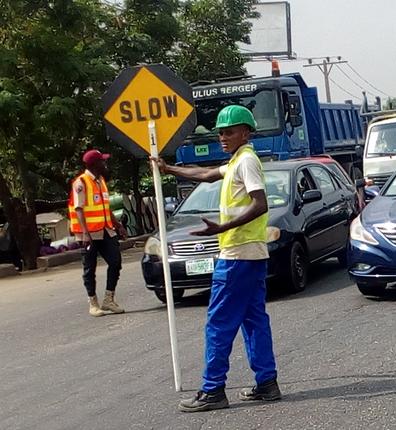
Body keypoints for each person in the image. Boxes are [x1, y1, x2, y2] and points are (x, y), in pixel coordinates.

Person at [153, 105, 280, 413]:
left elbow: (260, 204)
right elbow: (207, 175)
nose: (223, 137)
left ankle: (213, 390)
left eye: (229, 131)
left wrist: (222, 227)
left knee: (219, 323)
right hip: (250, 254)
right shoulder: (237, 160)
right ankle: (267, 383)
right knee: (253, 320)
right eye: (221, 132)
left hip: (238, 254)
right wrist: (168, 169)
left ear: (245, 133)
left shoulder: (247, 161)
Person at [68, 149, 127, 317]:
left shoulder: (100, 181)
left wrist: (118, 225)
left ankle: (109, 299)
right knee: (89, 268)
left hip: (106, 229)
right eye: (102, 161)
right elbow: (79, 209)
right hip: (89, 233)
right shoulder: (81, 183)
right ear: (94, 164)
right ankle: (93, 303)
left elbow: (105, 207)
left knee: (115, 261)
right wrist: (85, 234)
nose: (105, 163)